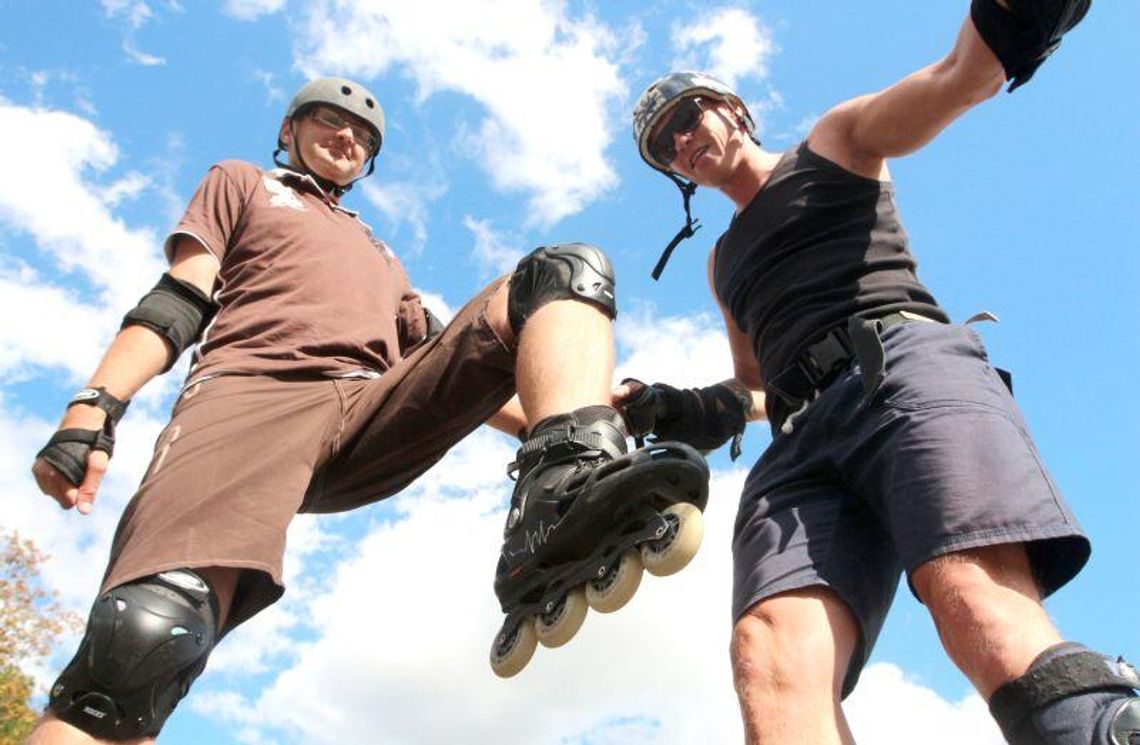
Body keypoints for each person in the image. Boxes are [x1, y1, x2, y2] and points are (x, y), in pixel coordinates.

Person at [26, 76, 705, 743]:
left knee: (561, 269)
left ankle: (560, 492)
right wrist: (95, 405)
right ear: (289, 131)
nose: (346, 135)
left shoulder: (383, 256)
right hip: (255, 396)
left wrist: (576, 405)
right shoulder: (242, 182)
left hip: (370, 407)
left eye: (362, 136)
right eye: (329, 120)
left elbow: (456, 352)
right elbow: (178, 298)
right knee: (146, 637)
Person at [624, 2, 1140, 743]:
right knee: (768, 652)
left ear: (732, 108)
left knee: (969, 595)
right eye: (664, 146)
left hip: (900, 370)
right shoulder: (720, 262)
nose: (680, 142)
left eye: (686, 117)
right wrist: (678, 407)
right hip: (800, 444)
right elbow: (755, 385)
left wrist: (1014, 17)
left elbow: (960, 77)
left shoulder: (833, 144)